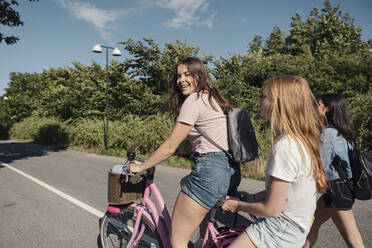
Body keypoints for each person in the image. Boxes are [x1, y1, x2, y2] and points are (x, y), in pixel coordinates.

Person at [129, 56, 241, 248]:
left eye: (187, 74)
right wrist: (184, 151)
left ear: (199, 74)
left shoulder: (194, 100)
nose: (181, 80)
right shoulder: (215, 98)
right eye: (179, 76)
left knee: (177, 240)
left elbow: (169, 146)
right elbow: (209, 139)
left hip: (209, 173)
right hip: (231, 170)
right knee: (185, 183)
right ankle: (203, 241)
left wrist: (142, 166)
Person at [221, 75, 328, 248]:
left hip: (279, 229)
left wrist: (238, 205)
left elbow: (272, 209)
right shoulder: (302, 141)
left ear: (279, 104)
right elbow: (288, 191)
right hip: (293, 229)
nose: (260, 100)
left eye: (264, 96)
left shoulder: (285, 146)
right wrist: (253, 198)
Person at [304, 93, 364, 248]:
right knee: (312, 224)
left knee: (353, 240)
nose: (315, 107)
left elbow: (320, 166)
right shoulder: (344, 132)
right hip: (340, 189)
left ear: (328, 109)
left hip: (337, 191)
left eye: (318, 104)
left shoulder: (328, 134)